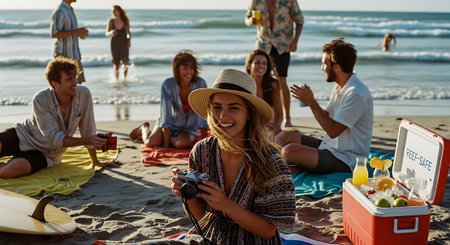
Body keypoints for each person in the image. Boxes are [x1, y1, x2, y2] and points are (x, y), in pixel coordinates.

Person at [140, 69, 295, 244]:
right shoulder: (202, 151)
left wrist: (225, 204)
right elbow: (200, 216)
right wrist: (186, 195)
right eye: (217, 107)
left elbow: (268, 230)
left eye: (234, 108)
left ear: (249, 114)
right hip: (211, 236)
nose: (222, 116)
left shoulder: (270, 162)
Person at [0, 57, 117, 179]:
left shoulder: (84, 94)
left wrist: (95, 161)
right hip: (22, 135)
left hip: (46, 153)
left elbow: (88, 129)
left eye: (75, 77)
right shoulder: (41, 99)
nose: (75, 83)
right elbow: (53, 137)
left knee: (9, 172)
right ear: (54, 84)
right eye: (69, 79)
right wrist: (87, 140)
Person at [275, 39, 373, 174]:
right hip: (328, 145)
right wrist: (311, 101)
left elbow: (333, 131)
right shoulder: (339, 87)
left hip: (345, 158)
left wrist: (312, 103)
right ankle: (269, 163)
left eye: (324, 64)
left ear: (336, 67)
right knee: (283, 136)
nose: (322, 68)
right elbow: (328, 117)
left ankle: (286, 166)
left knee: (289, 151)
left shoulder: (356, 94)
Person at [128, 50, 208, 149]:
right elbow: (166, 114)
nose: (189, 72)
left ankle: (167, 139)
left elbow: (204, 114)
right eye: (185, 68)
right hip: (169, 124)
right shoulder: (168, 85)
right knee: (150, 143)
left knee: (179, 144)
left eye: (192, 68)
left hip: (188, 129)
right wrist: (165, 145)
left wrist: (205, 143)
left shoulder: (200, 84)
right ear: (177, 69)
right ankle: (144, 128)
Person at [245, 0, 304, 127]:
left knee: (281, 81)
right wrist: (250, 21)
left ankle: (287, 118)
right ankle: (255, 115)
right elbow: (247, 18)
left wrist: (295, 41)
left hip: (282, 45)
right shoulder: (256, 1)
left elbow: (299, 20)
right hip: (263, 44)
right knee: (256, 79)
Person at [245, 49, 283, 135]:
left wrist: (276, 129)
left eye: (264, 63)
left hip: (270, 129)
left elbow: (280, 113)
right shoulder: (244, 84)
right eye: (257, 62)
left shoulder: (273, 84)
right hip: (250, 130)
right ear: (249, 66)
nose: (261, 66)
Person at [50, 0, 89, 84]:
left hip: (74, 54)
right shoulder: (60, 10)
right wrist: (76, 31)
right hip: (64, 55)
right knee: (67, 86)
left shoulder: (69, 10)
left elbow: (69, 31)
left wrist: (79, 33)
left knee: (78, 85)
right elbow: (54, 33)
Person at [106, 5, 131, 80]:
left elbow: (129, 33)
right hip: (114, 43)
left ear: (119, 11)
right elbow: (107, 33)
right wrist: (111, 32)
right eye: (112, 11)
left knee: (125, 62)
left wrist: (129, 41)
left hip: (124, 43)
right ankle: (117, 80)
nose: (113, 12)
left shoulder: (125, 21)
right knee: (116, 63)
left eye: (115, 10)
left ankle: (125, 79)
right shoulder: (111, 21)